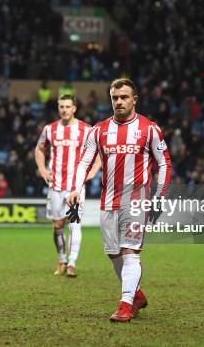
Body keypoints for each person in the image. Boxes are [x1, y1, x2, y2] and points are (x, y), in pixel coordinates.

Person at [67, 79, 172, 322]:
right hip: (108, 201)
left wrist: (159, 197)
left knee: (130, 252)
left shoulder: (149, 129)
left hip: (137, 200)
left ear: (134, 99)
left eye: (124, 97)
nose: (119, 102)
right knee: (113, 254)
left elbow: (165, 163)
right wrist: (75, 189)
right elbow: (84, 162)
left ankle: (125, 305)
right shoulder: (99, 130)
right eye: (115, 98)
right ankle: (135, 295)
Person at [35, 94, 101, 277]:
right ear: (58, 108)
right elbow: (39, 149)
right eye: (61, 106)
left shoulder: (86, 130)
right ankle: (62, 260)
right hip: (55, 185)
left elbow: (98, 152)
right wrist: (42, 169)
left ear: (74, 108)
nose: (64, 110)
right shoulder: (50, 129)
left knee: (74, 224)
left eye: (67, 106)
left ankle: (72, 263)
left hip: (76, 188)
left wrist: (94, 171)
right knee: (57, 226)